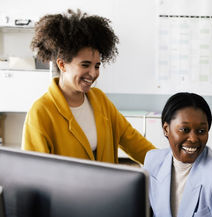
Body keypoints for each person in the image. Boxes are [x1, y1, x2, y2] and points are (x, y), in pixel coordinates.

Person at [22, 9, 155, 164]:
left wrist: (170, 165)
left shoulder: (100, 100)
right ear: (62, 64)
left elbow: (134, 142)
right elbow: (33, 171)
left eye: (97, 66)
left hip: (106, 188)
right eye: (85, 65)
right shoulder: (41, 112)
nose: (92, 73)